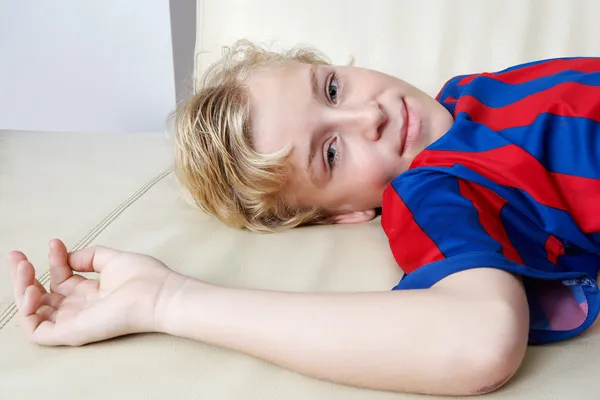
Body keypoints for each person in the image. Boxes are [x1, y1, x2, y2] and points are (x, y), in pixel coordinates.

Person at [7, 40, 600, 396]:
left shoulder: (470, 90)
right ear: (347, 214)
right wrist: (167, 301)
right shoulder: (433, 192)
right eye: (332, 153)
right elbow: (478, 338)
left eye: (333, 89)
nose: (368, 116)